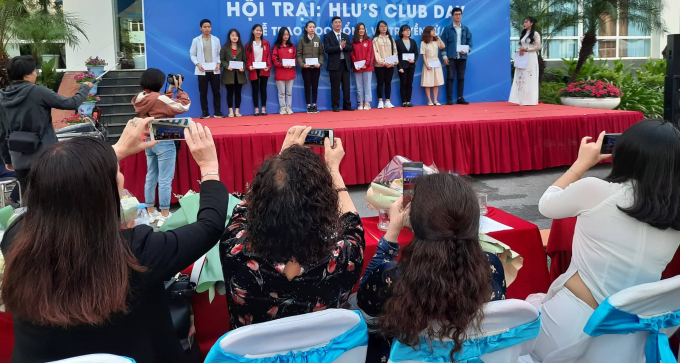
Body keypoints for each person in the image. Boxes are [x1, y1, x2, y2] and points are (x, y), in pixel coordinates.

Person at [0, 117, 228, 363]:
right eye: (116, 173)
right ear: (105, 192)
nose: (121, 176)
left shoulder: (16, 238)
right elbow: (209, 226)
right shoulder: (136, 251)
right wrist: (209, 167)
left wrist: (115, 151)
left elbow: (55, 189)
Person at [526, 122, 680, 361]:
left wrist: (581, 163)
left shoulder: (596, 190)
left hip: (573, 322)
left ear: (625, 154)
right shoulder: (674, 211)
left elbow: (547, 205)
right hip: (633, 337)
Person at [220, 126, 365, 329]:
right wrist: (333, 170)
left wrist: (280, 168)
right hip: (322, 348)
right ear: (324, 206)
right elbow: (353, 224)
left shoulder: (234, 249)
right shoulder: (345, 257)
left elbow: (244, 209)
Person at [357, 174, 506, 363]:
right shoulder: (491, 268)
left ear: (416, 222)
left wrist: (392, 231)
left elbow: (363, 300)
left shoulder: (393, 278)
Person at [0, 55, 92, 204]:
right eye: (34, 70)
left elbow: (3, 132)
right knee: (51, 201)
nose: (36, 73)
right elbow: (71, 103)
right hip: (45, 157)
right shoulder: (37, 92)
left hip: (18, 158)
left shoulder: (2, 97)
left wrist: (7, 159)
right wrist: (84, 88)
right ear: (26, 75)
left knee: (29, 200)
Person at [132, 68, 191, 226]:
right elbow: (183, 106)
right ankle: (165, 214)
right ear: (158, 82)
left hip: (148, 139)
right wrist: (179, 89)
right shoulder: (159, 98)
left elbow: (159, 102)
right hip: (163, 139)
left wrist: (169, 91)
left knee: (151, 176)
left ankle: (151, 212)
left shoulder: (140, 97)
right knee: (165, 179)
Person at [190, 18, 224, 119]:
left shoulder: (216, 40)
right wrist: (197, 64)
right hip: (202, 71)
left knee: (216, 92)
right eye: (205, 27)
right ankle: (205, 112)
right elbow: (192, 54)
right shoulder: (196, 40)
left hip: (214, 70)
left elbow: (219, 54)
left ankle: (217, 112)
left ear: (211, 28)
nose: (207, 29)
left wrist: (219, 63)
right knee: (203, 92)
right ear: (200, 28)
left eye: (209, 27)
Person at [440, 7, 473, 105]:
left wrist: (467, 50)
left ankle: (460, 98)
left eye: (459, 14)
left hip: (462, 57)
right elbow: (442, 44)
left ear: (461, 16)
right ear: (452, 16)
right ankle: (449, 99)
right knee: (450, 77)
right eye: (456, 14)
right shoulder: (447, 29)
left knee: (461, 78)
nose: (458, 16)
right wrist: (444, 57)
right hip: (451, 57)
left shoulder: (465, 29)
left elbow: (470, 41)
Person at [323, 16, 354, 112]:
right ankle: (335, 105)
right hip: (334, 65)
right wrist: (339, 47)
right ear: (332, 25)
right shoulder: (328, 36)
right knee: (335, 86)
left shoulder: (345, 36)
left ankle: (347, 105)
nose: (338, 24)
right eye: (336, 22)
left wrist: (344, 47)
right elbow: (327, 49)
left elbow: (351, 48)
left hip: (345, 64)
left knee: (346, 86)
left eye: (339, 22)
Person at [509, 17, 541, 106]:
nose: (524, 24)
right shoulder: (524, 33)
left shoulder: (535, 34)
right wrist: (521, 49)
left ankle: (529, 99)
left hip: (530, 57)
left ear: (531, 23)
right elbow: (522, 44)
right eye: (524, 22)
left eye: (526, 22)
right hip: (522, 56)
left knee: (529, 76)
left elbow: (538, 47)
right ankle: (520, 98)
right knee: (521, 77)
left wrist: (527, 49)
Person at [297, 21, 324, 114]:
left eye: (313, 27)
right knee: (307, 86)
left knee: (315, 86)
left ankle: (315, 105)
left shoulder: (318, 39)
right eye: (310, 27)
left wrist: (320, 63)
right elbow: (299, 54)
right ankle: (308, 105)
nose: (312, 29)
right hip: (306, 68)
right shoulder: (302, 40)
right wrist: (302, 64)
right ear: (306, 29)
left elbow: (321, 53)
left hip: (316, 68)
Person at [245, 24, 272, 116]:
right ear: (253, 31)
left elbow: (268, 57)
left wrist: (268, 66)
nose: (259, 32)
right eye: (257, 30)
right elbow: (247, 59)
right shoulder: (248, 45)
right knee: (255, 89)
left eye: (260, 30)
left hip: (264, 69)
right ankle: (256, 109)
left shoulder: (266, 43)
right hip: (253, 70)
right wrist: (249, 66)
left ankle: (263, 109)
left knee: (263, 89)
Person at [220, 28, 247, 118]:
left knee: (238, 93)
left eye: (236, 36)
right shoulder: (225, 47)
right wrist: (227, 66)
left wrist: (243, 67)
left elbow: (245, 61)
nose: (234, 37)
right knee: (230, 93)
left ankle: (237, 111)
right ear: (229, 37)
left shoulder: (241, 48)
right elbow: (222, 59)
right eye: (233, 35)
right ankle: (230, 111)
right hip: (229, 74)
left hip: (239, 74)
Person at [372, 20, 398, 109]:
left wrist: (393, 62)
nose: (383, 28)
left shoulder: (391, 39)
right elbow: (375, 52)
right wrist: (383, 62)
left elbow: (395, 51)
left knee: (388, 83)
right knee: (380, 83)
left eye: (385, 26)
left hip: (390, 65)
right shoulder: (375, 39)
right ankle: (380, 101)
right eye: (381, 26)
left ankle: (387, 101)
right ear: (378, 28)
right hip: (380, 65)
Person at [272, 27, 296, 115]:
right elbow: (274, 59)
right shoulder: (276, 46)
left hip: (290, 72)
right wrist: (282, 64)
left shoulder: (292, 46)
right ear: (280, 35)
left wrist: (293, 63)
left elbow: (295, 58)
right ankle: (282, 108)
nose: (286, 36)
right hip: (280, 72)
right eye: (284, 34)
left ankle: (288, 108)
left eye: (287, 34)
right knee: (281, 93)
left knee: (289, 92)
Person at [350, 22, 374, 110]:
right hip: (357, 68)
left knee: (367, 86)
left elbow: (370, 53)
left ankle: (367, 102)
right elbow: (352, 54)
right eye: (359, 29)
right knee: (359, 86)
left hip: (367, 68)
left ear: (365, 30)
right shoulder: (353, 42)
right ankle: (360, 102)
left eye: (363, 29)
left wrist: (366, 64)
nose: (361, 30)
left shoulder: (368, 41)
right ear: (357, 30)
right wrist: (357, 64)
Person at [420, 26, 445, 106]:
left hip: (436, 63)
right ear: (428, 32)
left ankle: (435, 100)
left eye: (434, 30)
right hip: (428, 63)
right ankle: (429, 101)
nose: (434, 32)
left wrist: (439, 38)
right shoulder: (423, 43)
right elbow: (423, 54)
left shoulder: (436, 41)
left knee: (436, 82)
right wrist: (426, 64)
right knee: (428, 82)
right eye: (432, 31)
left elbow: (443, 46)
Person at [396, 24, 418, 108]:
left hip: (411, 66)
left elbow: (416, 54)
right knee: (403, 83)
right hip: (402, 66)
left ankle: (408, 101)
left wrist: (414, 60)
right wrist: (399, 67)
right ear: (402, 32)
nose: (408, 32)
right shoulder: (398, 42)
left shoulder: (413, 41)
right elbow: (396, 56)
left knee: (409, 84)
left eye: (409, 30)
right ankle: (404, 101)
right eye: (406, 30)